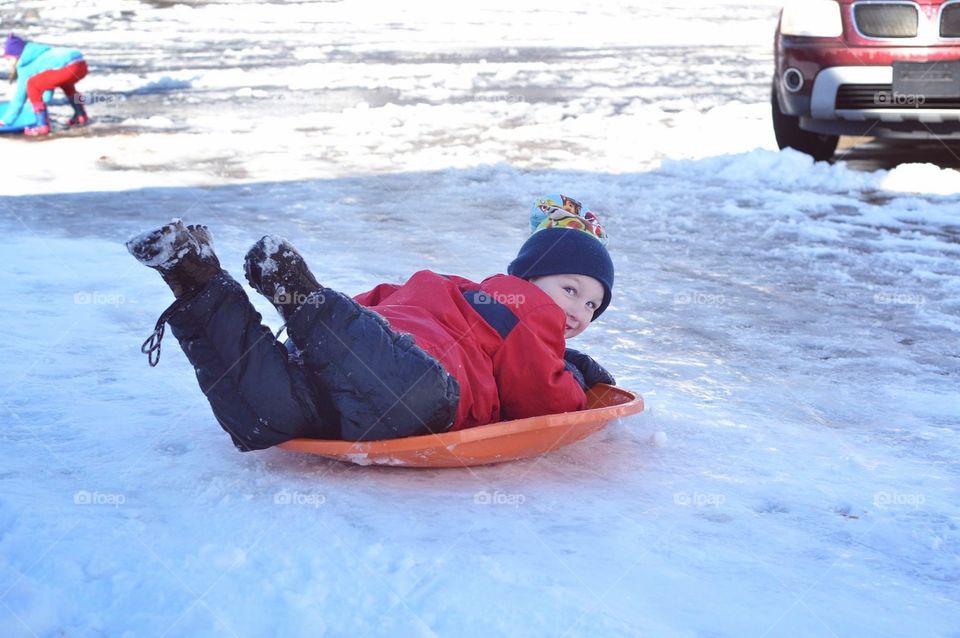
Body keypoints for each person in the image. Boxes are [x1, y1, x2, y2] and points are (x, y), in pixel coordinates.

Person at [125, 195, 616, 452]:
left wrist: (320, 330)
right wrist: (577, 373)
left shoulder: (444, 286)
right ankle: (302, 302)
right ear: (528, 279)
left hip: (348, 363)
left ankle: (196, 278)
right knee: (413, 397)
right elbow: (545, 400)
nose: (577, 311)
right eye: (570, 290)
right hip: (421, 377)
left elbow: (370, 306)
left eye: (594, 306)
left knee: (267, 419)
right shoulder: (526, 307)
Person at [0, 33, 89, 136]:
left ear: (18, 56)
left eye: (9, 59)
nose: (8, 63)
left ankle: (42, 126)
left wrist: (6, 121)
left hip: (67, 68)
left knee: (32, 84)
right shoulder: (40, 53)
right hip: (80, 63)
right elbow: (47, 82)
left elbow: (20, 98)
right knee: (66, 84)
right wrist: (43, 101)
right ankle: (81, 115)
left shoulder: (25, 66)